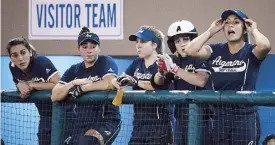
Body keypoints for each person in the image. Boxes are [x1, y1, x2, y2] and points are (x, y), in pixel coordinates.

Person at [185, 10, 271, 145]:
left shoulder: (251, 51)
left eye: (236, 22)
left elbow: (265, 46)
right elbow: (190, 50)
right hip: (219, 118)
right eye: (227, 23)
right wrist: (211, 31)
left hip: (244, 117)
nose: (231, 26)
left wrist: (253, 30)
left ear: (244, 28)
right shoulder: (215, 50)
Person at [51, 27, 121, 145]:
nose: (89, 50)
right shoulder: (73, 70)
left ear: (99, 48)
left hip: (106, 121)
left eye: (93, 47)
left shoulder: (106, 61)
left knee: (88, 141)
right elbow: (54, 95)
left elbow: (109, 83)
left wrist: (84, 88)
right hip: (78, 125)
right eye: (85, 47)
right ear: (79, 49)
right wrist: (73, 83)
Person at [111, 25, 173, 145]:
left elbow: (156, 85)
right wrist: (117, 82)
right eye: (137, 42)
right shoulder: (137, 63)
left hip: (160, 128)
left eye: (143, 42)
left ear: (155, 45)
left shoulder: (163, 63)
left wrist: (134, 81)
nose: (138, 45)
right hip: (138, 127)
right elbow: (120, 78)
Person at [153, 20, 211, 145]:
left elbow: (201, 81)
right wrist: (161, 72)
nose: (182, 44)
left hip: (201, 117)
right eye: (177, 41)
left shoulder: (201, 57)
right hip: (180, 116)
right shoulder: (174, 60)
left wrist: (174, 68)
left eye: (186, 39)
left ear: (193, 40)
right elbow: (158, 84)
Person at [6, 37, 60, 145]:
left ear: (30, 52)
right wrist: (20, 85)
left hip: (63, 112)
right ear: (11, 58)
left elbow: (59, 84)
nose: (20, 58)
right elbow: (20, 85)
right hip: (45, 114)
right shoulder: (13, 67)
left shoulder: (41, 62)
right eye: (15, 55)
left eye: (23, 52)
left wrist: (32, 84)